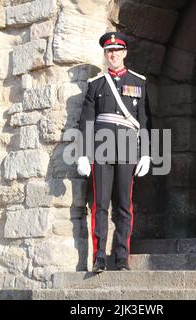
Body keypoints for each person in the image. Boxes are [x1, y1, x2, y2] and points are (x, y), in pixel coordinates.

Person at [77, 31, 151, 273]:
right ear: (105, 54)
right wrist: (83, 154)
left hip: (129, 147)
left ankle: (121, 258)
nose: (113, 55)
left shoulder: (138, 82)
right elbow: (86, 121)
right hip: (101, 149)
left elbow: (144, 120)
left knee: (124, 205)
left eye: (117, 50)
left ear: (125, 53)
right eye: (109, 51)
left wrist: (147, 153)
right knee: (100, 205)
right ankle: (99, 258)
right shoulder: (95, 84)